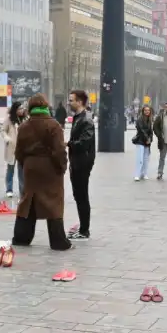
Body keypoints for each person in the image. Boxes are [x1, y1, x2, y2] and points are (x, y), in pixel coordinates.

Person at [13, 93, 71, 251]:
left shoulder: (24, 126)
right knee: (53, 202)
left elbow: (19, 151)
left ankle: (21, 237)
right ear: (46, 106)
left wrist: (26, 164)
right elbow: (59, 150)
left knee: (28, 200)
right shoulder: (54, 125)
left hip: (30, 167)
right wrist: (62, 166)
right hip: (50, 167)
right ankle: (58, 241)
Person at [67, 90, 95, 241]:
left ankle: (84, 230)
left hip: (82, 163)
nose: (69, 103)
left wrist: (68, 143)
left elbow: (84, 143)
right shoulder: (78, 118)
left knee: (82, 196)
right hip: (76, 162)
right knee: (78, 196)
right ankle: (83, 226)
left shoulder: (86, 120)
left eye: (71, 100)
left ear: (79, 102)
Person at [3, 102, 27, 198]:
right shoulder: (9, 120)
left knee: (22, 171)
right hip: (12, 148)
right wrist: (7, 138)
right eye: (19, 109)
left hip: (22, 149)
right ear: (15, 110)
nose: (22, 110)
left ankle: (22, 190)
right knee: (10, 169)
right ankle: (9, 189)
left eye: (22, 108)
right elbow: (3, 130)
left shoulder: (25, 119)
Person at [132, 105, 154, 181]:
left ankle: (144, 173)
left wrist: (150, 139)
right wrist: (147, 138)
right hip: (140, 141)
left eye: (148, 110)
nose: (147, 111)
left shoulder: (150, 119)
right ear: (143, 111)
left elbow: (151, 131)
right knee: (140, 159)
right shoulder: (139, 119)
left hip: (147, 142)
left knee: (146, 159)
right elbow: (141, 130)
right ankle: (137, 175)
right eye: (145, 110)